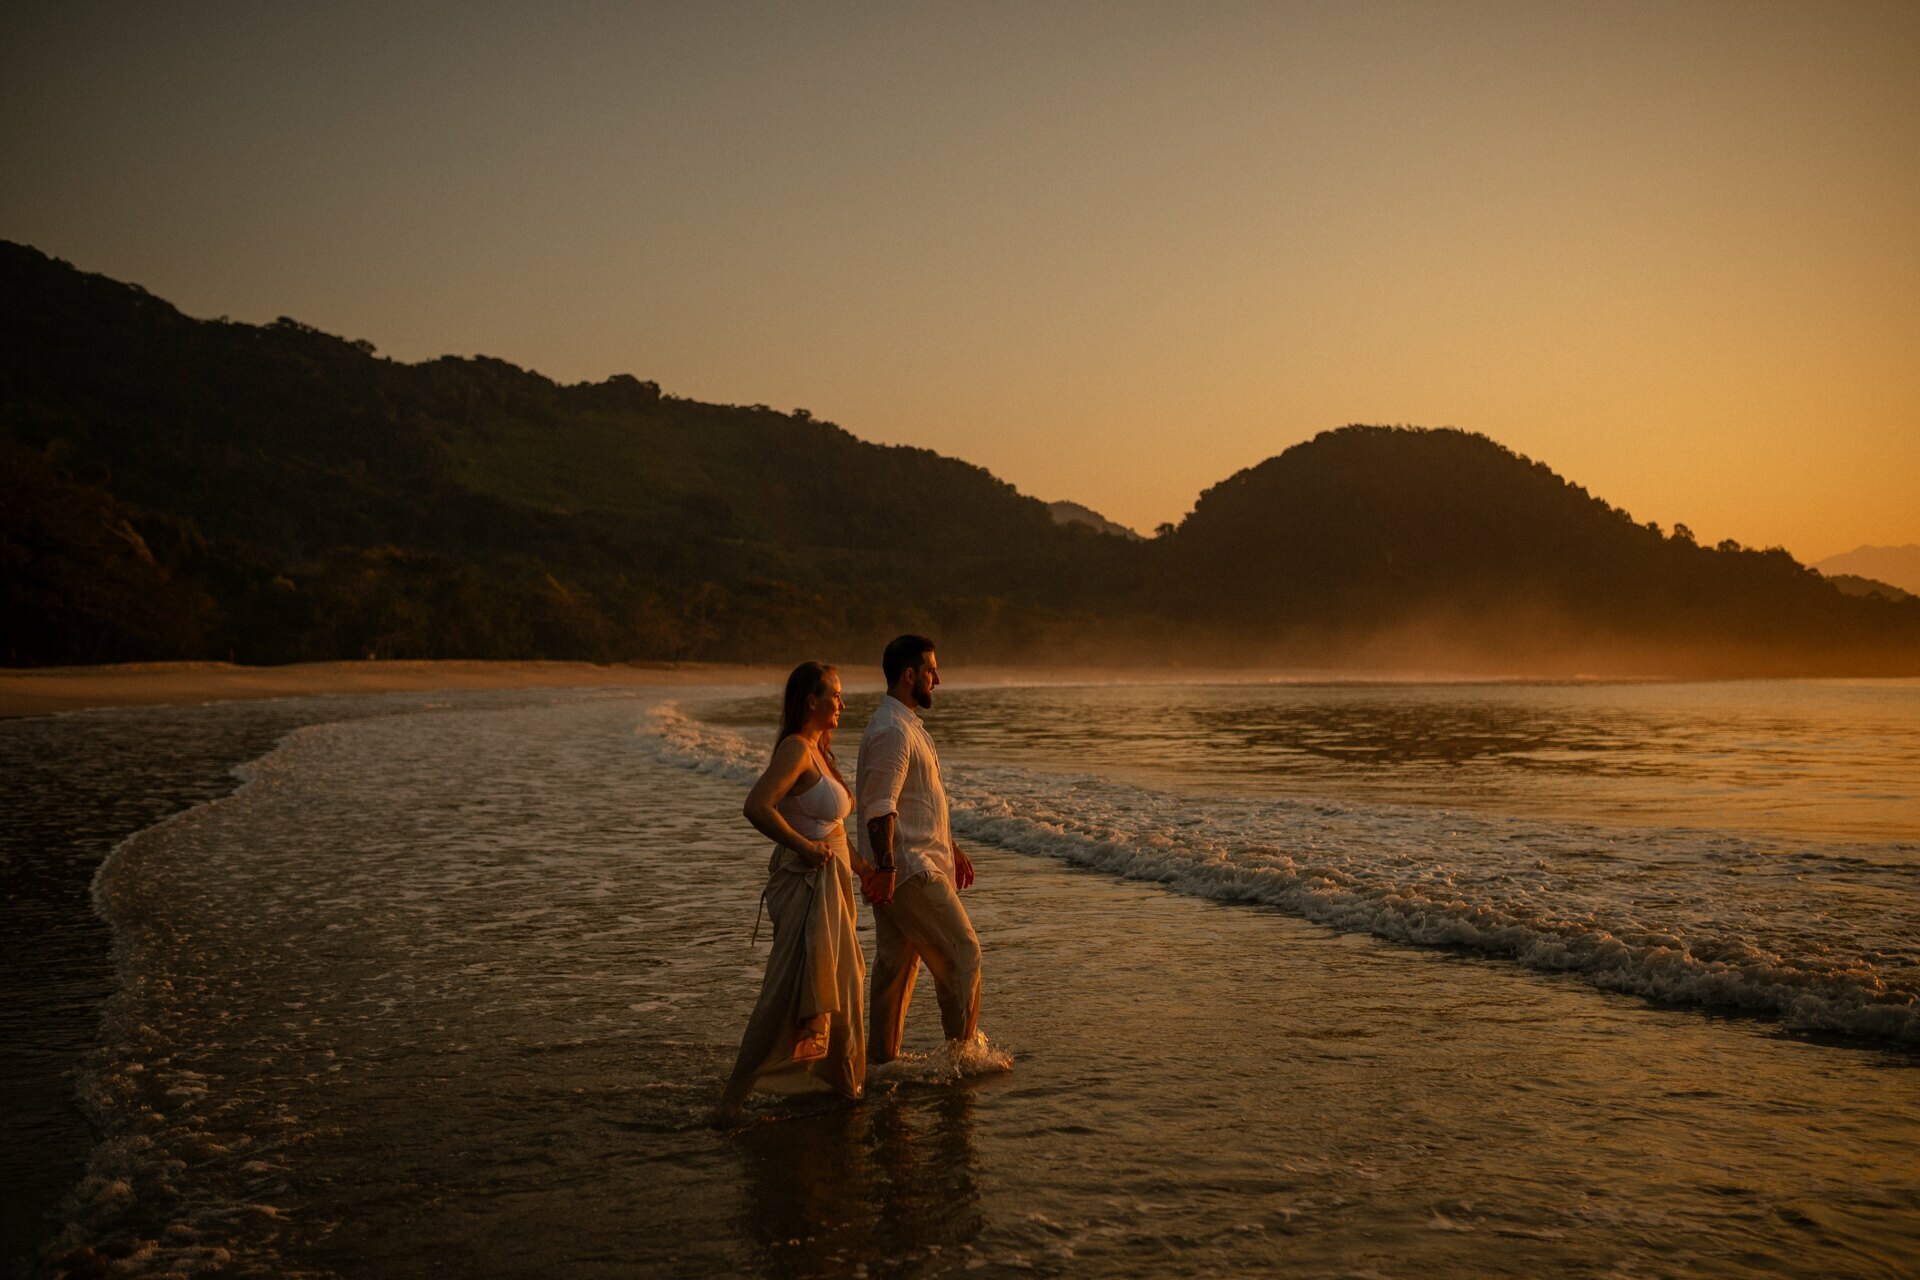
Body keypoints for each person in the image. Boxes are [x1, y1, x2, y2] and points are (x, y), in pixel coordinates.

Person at [714, 662, 868, 1122]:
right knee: (785, 993)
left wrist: (864, 868)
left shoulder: (821, 750)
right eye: (835, 695)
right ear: (810, 700)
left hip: (833, 883)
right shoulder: (796, 750)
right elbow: (756, 806)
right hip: (804, 885)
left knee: (845, 984)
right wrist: (803, 846)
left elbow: (834, 828)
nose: (842, 703)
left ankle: (844, 1084)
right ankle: (731, 1102)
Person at [857, 634, 982, 1064]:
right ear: (909, 675)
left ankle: (880, 1063)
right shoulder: (892, 731)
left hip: (910, 862)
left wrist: (952, 845)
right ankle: (962, 1058)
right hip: (909, 868)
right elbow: (880, 808)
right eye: (931, 670)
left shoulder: (905, 725)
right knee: (963, 951)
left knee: (896, 968)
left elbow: (916, 802)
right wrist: (888, 867)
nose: (938, 678)